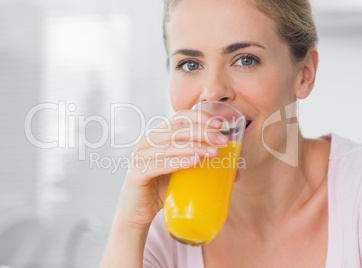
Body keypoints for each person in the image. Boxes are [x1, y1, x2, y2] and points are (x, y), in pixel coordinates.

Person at [101, 0, 362, 267]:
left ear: (304, 74)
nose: (213, 91)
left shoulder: (356, 193)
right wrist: (130, 223)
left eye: (245, 60)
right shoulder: (160, 222)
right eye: (190, 64)